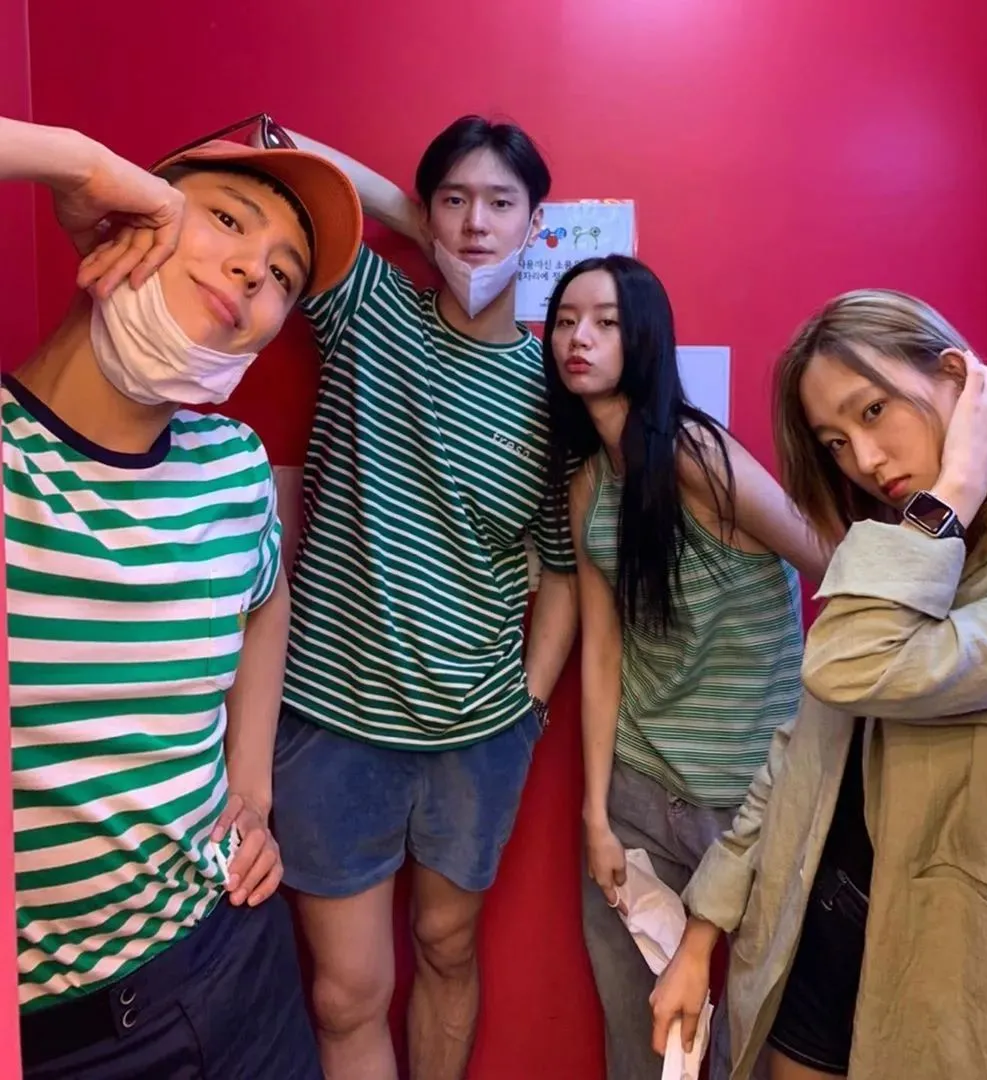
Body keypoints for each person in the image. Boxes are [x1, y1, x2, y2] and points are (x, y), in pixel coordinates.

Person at [4, 114, 362, 1078]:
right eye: (229, 220)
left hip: (232, 962)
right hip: (55, 1038)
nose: (254, 271)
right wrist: (72, 162)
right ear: (126, 212)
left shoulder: (233, 465)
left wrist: (253, 787)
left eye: (284, 274)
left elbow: (266, 597)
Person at [650, 289, 987, 1080]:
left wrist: (955, 488)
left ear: (958, 377)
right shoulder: (891, 548)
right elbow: (799, 751)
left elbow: (855, 664)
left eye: (874, 411)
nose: (866, 461)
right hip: (820, 920)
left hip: (959, 960)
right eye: (836, 442)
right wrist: (700, 935)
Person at [263, 116, 579, 1080]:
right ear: (425, 211)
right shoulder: (367, 305)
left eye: (500, 204)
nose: (477, 223)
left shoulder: (555, 386)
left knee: (448, 947)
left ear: (537, 224)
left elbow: (563, 570)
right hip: (332, 717)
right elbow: (293, 167)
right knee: (344, 992)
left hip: (478, 733)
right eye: (454, 200)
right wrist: (423, 225)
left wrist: (528, 707)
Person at [542, 255, 831, 1080]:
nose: (579, 338)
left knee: (747, 1042)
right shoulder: (590, 483)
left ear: (645, 338)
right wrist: (596, 815)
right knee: (639, 1040)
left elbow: (827, 561)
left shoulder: (698, 454)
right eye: (565, 321)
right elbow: (603, 650)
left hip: (746, 798)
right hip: (639, 793)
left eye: (605, 322)